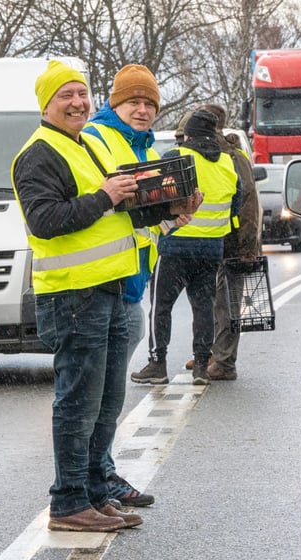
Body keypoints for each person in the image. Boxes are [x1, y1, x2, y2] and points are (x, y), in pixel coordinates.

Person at [11, 60, 200, 532]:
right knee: (76, 405)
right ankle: (68, 502)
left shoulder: (78, 147)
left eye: (81, 93)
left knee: (101, 404)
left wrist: (172, 214)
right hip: (73, 297)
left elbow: (117, 217)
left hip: (109, 291)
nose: (76, 102)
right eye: (65, 96)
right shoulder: (38, 154)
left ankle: (94, 491)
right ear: (47, 104)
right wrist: (106, 197)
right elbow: (46, 221)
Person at [84, 63, 191, 508]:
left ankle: (101, 476)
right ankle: (90, 483)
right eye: (134, 102)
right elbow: (96, 210)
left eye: (150, 104)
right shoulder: (97, 140)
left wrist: (173, 219)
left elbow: (137, 224)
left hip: (130, 284)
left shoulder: (144, 148)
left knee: (109, 396)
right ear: (114, 102)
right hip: (97, 286)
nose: (143, 110)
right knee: (93, 398)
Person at [131, 109, 242, 386]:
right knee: (203, 307)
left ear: (188, 135)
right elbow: (237, 206)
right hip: (211, 249)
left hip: (176, 246)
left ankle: (158, 364)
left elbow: (152, 197)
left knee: (161, 306)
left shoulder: (175, 158)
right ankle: (202, 367)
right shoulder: (228, 164)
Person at [197, 103, 262, 381]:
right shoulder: (212, 154)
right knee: (213, 302)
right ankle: (213, 353)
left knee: (227, 304)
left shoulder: (233, 157)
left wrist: (248, 247)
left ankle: (225, 363)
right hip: (214, 240)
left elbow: (248, 203)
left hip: (235, 242)